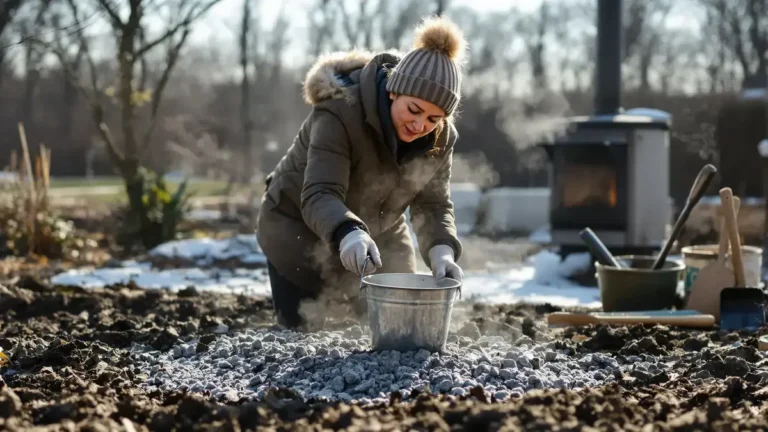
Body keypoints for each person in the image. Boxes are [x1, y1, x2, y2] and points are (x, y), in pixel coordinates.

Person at [256, 15, 467, 329]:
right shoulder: (340, 111)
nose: (420, 125)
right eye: (414, 110)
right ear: (394, 91)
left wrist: (442, 251)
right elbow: (319, 194)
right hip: (296, 225)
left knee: (397, 324)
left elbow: (433, 205)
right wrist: (348, 232)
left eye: (434, 118)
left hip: (378, 234)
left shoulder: (440, 139)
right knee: (302, 329)